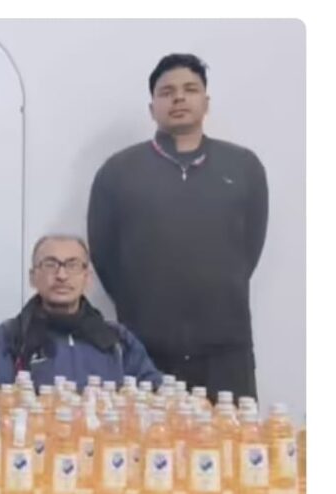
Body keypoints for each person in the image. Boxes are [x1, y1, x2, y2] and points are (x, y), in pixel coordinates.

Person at [87, 53, 268, 401]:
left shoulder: (243, 167)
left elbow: (248, 250)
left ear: (206, 102)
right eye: (167, 92)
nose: (179, 98)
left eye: (190, 89)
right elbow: (104, 255)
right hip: (145, 351)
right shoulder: (119, 172)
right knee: (144, 437)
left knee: (229, 436)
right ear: (152, 107)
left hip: (225, 350)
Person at [0, 235, 161, 390]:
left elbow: (155, 395)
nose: (62, 276)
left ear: (87, 278)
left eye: (72, 265)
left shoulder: (117, 340)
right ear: (33, 277)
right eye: (50, 264)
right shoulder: (10, 338)